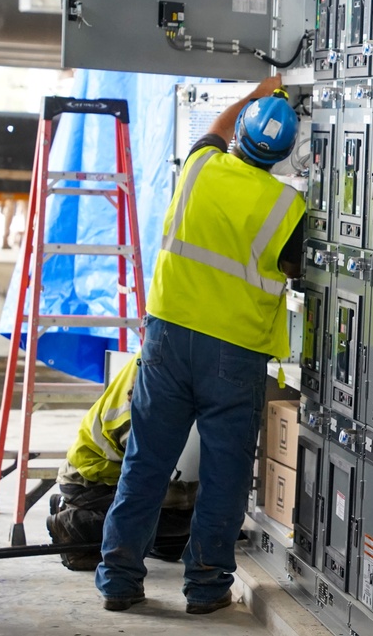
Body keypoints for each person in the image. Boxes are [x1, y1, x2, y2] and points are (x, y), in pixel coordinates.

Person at [95, 74, 305, 615]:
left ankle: (119, 578)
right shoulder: (288, 209)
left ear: (240, 134)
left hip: (167, 339)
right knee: (225, 473)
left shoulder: (201, 166)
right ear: (283, 155)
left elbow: (214, 129)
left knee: (145, 460)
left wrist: (261, 93)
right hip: (232, 354)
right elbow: (298, 269)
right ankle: (207, 587)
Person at [46, 354, 197, 571]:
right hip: (91, 482)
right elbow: (143, 484)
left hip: (89, 475)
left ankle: (74, 507)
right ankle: (74, 524)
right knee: (179, 515)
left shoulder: (156, 358)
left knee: (176, 532)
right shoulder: (138, 417)